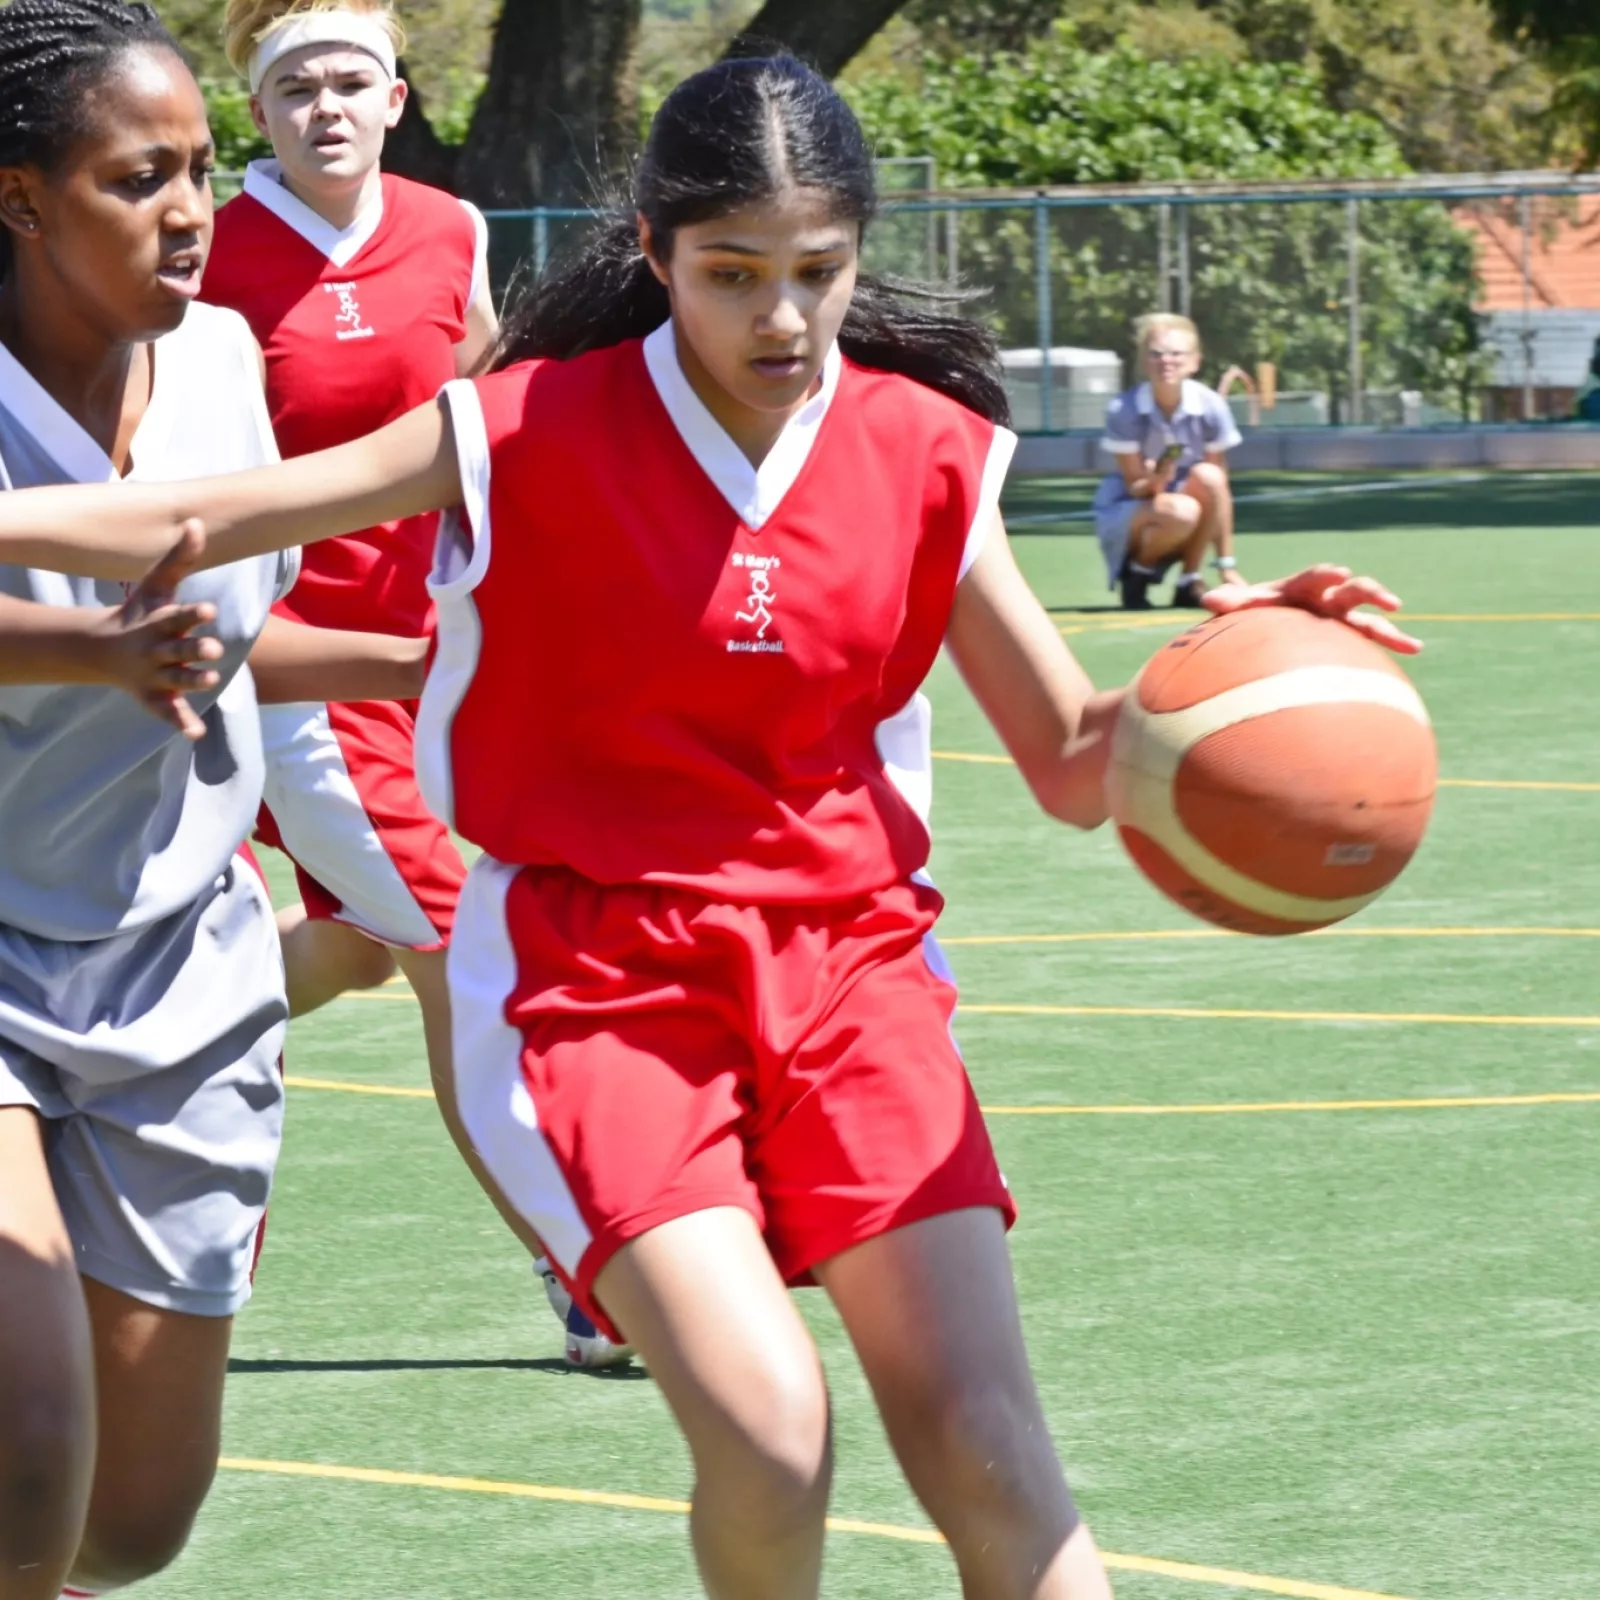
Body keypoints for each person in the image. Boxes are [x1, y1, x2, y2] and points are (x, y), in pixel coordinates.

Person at [0, 55, 1421, 1600]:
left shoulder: (929, 451)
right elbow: (194, 522)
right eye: (735, 275)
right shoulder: (522, 426)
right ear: (657, 252)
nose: (784, 319)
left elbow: (1079, 756)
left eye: (819, 273)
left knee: (994, 1455)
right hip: (596, 981)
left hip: (858, 980)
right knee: (771, 1437)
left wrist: (1241, 681)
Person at [0, 5, 429, 1594]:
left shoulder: (225, 370)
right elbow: (123, 641)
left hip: (182, 968)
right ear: (21, 198)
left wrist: (418, 664)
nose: (190, 211)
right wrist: (89, 647)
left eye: (197, 169)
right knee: (31, 1444)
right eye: (138, 177)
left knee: (131, 1519)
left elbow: (230, 642)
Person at [200, 0, 620, 1365]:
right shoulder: (203, 253)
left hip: (426, 668)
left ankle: (166, 1013)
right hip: (292, 682)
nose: (326, 106)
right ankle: (584, 1272)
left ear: (395, 96)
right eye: (296, 86)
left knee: (365, 951)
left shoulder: (451, 227)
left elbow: (482, 399)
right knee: (467, 964)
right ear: (252, 111)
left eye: (352, 81)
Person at [1092, 312, 1245, 611]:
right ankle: (1138, 571)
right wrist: (1155, 481)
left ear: (1195, 361)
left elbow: (1218, 490)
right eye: (1156, 353)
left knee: (1210, 477)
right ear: (1144, 360)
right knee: (1182, 511)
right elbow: (1134, 485)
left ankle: (1189, 580)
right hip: (1133, 508)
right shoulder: (1123, 408)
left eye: (1177, 353)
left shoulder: (1211, 405)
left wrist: (1227, 567)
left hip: (1185, 507)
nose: (1166, 361)